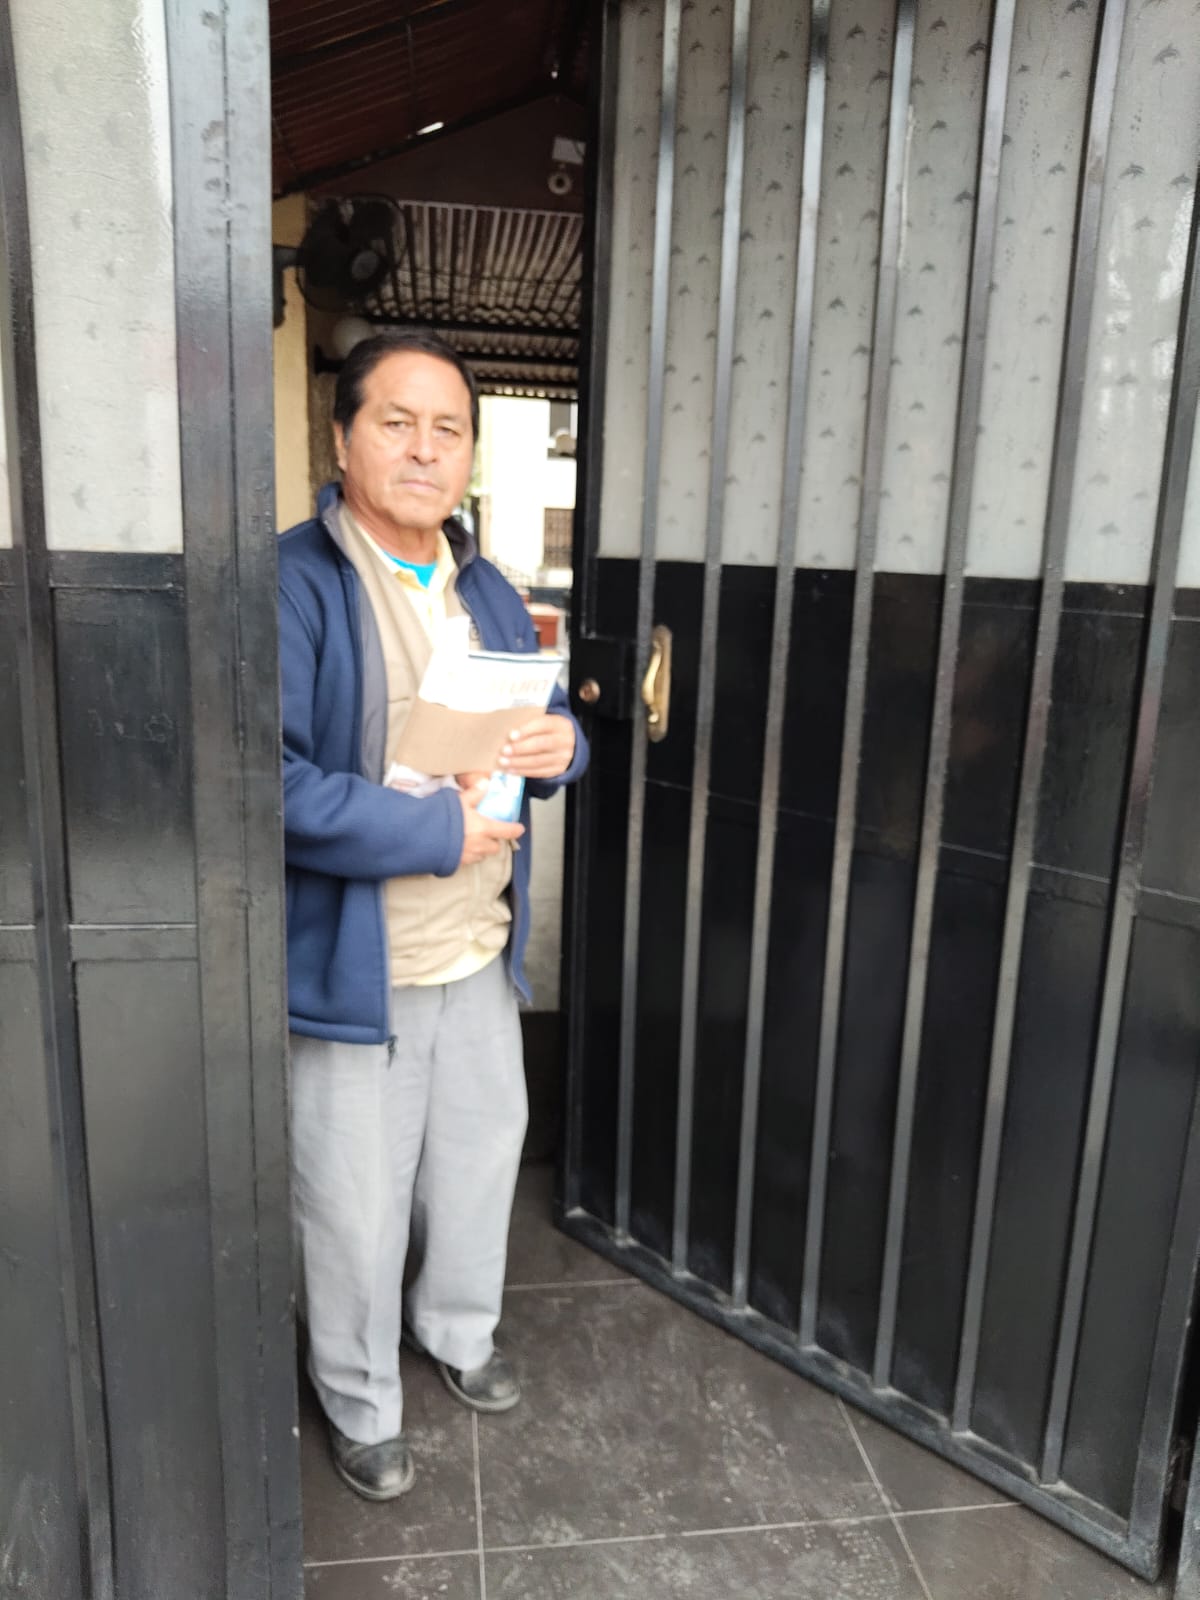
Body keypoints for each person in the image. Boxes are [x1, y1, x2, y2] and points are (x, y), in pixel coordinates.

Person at [278, 329, 588, 1502]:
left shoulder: (485, 582)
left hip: (475, 945)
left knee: (477, 1156)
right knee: (353, 1199)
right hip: (362, 965)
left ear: (467, 452)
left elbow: (538, 724)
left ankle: (457, 1329)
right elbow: (269, 782)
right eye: (396, 422)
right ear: (343, 438)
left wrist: (564, 748)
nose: (423, 448)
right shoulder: (296, 580)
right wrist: (430, 833)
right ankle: (358, 1396)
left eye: (447, 427)